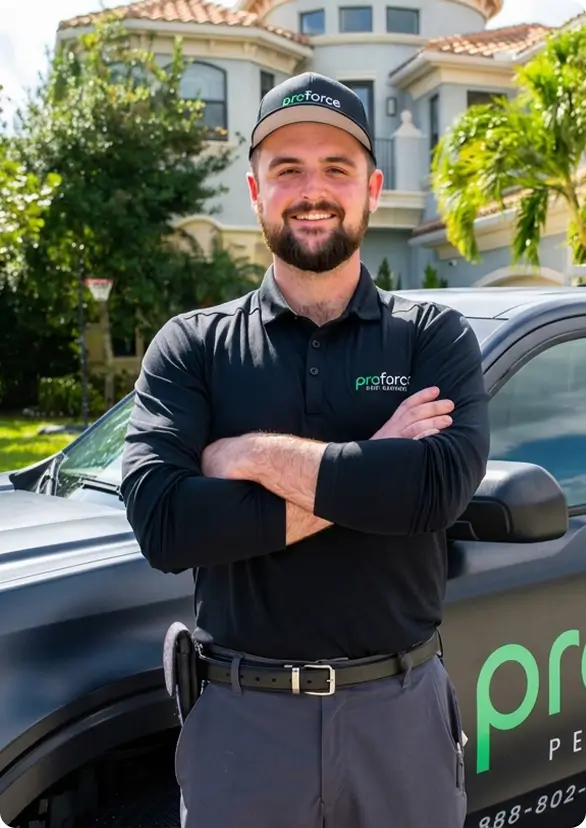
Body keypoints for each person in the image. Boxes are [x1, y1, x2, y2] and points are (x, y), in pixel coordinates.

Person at [120, 71, 490, 828]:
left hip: (400, 719)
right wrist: (374, 463)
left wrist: (246, 453)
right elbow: (165, 523)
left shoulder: (432, 337)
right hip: (243, 727)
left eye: (336, 168)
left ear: (373, 189)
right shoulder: (192, 346)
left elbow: (433, 492)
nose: (312, 189)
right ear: (255, 192)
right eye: (287, 169)